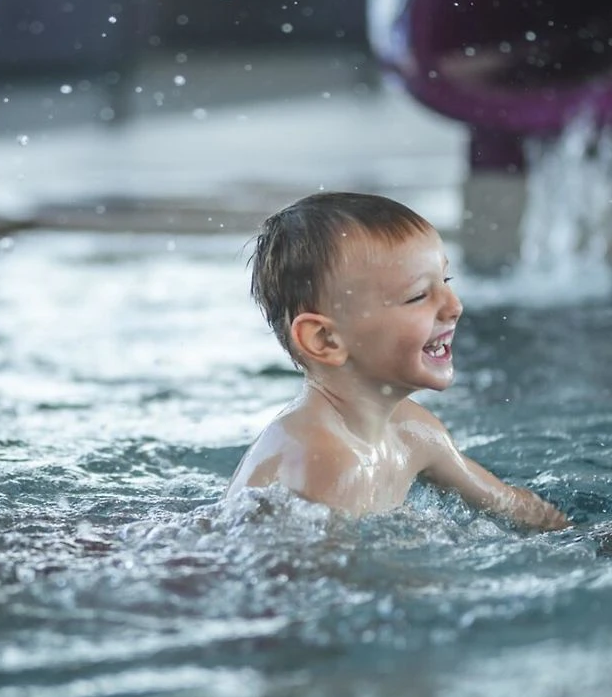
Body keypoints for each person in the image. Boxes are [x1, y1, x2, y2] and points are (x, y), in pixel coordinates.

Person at [227, 191, 569, 530]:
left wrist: (584, 537)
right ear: (325, 339)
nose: (454, 306)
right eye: (418, 295)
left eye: (446, 281)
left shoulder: (413, 431)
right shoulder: (324, 463)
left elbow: (510, 506)